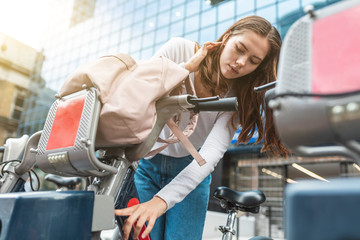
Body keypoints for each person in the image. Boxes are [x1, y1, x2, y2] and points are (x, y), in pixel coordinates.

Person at [115, 15, 289, 240]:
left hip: (191, 173)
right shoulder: (179, 50)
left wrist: (159, 203)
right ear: (227, 37)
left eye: (253, 61)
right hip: (146, 168)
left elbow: (210, 154)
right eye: (239, 48)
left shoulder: (237, 98)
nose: (241, 62)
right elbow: (138, 94)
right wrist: (185, 69)